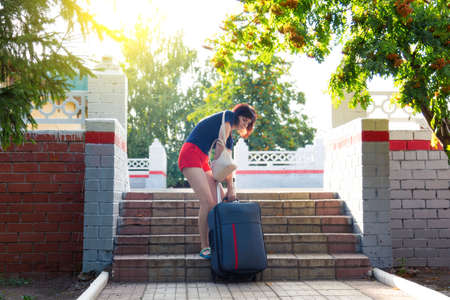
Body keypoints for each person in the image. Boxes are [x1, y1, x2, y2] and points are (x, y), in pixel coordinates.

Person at [178, 103, 257, 259]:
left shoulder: (230, 140)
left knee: (218, 200)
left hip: (203, 159)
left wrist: (231, 189)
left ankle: (218, 241)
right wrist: (217, 170)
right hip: (191, 153)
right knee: (207, 202)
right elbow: (220, 144)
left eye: (248, 123)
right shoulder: (227, 116)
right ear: (237, 115)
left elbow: (227, 164)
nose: (244, 124)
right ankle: (204, 246)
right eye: (244, 119)